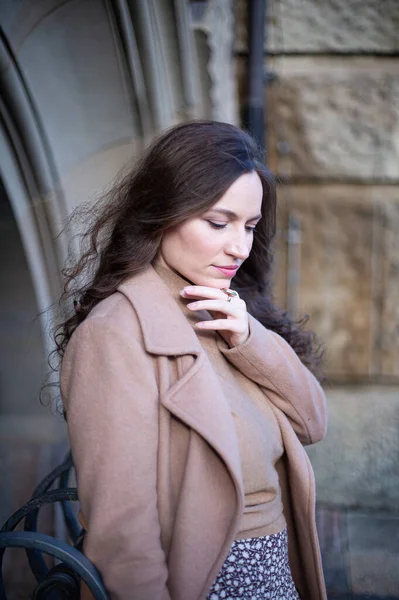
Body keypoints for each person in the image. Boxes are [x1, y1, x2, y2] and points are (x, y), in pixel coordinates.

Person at [56, 120, 327, 600]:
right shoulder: (115, 334)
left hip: (276, 575)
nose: (239, 247)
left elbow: (313, 422)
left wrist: (250, 338)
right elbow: (123, 534)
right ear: (162, 214)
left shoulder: (227, 314)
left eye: (250, 226)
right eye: (218, 223)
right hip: (208, 582)